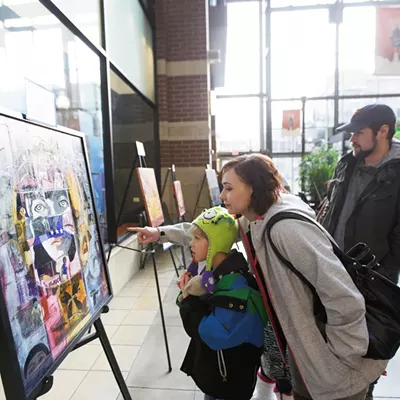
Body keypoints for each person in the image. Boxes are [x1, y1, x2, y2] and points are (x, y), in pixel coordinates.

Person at [130, 153, 387, 400]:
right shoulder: (256, 219)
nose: (222, 195)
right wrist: (160, 233)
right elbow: (208, 232)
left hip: (333, 368)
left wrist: (346, 356)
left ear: (252, 188)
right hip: (307, 358)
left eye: (229, 188)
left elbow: (342, 295)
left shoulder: (286, 229)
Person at [317, 104, 400, 399]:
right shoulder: (346, 163)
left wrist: (380, 276)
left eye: (358, 133)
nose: (352, 139)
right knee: (331, 350)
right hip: (331, 271)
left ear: (383, 132)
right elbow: (331, 209)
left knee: (365, 357)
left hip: (371, 282)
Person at [176, 206, 266, 400]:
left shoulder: (236, 289)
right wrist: (188, 293)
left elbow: (211, 333)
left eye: (198, 238)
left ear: (216, 243)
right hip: (219, 374)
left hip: (228, 385)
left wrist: (188, 298)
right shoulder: (218, 276)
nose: (191, 243)